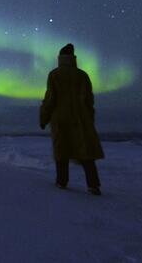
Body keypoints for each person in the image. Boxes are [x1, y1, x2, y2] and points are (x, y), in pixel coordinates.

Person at [39, 43, 105, 195]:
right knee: (86, 152)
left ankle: (62, 182)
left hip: (60, 119)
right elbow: (89, 100)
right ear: (73, 57)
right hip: (80, 119)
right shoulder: (82, 75)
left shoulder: (54, 74)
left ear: (60, 58)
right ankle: (93, 185)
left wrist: (44, 118)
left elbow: (50, 99)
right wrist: (90, 119)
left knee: (62, 151)